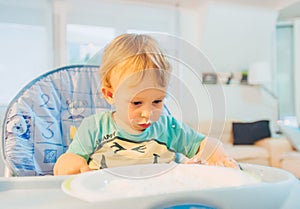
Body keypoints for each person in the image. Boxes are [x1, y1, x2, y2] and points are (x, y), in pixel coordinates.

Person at [54, 33, 238, 175]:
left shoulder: (169, 128)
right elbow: (70, 160)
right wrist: (68, 166)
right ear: (110, 94)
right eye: (136, 103)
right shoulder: (94, 128)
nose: (147, 113)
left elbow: (204, 144)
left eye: (157, 101)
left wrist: (215, 151)